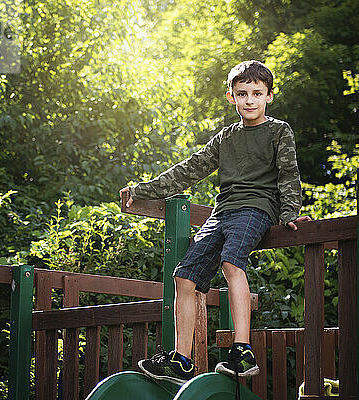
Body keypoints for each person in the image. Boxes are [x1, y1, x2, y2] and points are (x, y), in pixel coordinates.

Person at [119, 60, 310, 385]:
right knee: (184, 277)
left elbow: (289, 173)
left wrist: (290, 212)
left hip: (256, 207)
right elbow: (189, 169)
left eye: (256, 93)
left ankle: (242, 350)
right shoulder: (225, 138)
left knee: (230, 263)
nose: (249, 100)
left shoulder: (279, 130)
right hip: (223, 211)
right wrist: (142, 190)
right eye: (242, 94)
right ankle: (181, 360)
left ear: (269, 96)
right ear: (231, 97)